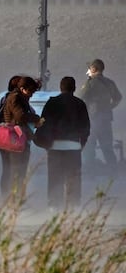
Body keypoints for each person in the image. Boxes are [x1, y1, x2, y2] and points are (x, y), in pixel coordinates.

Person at [40, 76, 91, 208]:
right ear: (74, 88)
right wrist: (82, 143)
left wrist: (46, 143)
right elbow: (86, 127)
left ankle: (54, 205)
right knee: (73, 177)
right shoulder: (80, 103)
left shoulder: (52, 103)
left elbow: (43, 124)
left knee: (54, 177)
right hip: (74, 146)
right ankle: (73, 205)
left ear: (60, 87)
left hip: (54, 146)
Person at [76, 59, 122, 174]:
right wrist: (109, 107)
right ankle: (114, 174)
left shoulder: (90, 83)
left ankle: (90, 174)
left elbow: (79, 97)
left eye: (89, 68)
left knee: (89, 149)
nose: (88, 71)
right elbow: (118, 98)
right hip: (106, 120)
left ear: (93, 69)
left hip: (92, 120)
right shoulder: (109, 83)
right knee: (107, 148)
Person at [0, 75, 40, 198]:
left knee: (12, 171)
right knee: (17, 172)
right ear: (22, 89)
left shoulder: (17, 97)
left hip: (13, 140)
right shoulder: (16, 98)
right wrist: (36, 118)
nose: (31, 94)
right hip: (15, 140)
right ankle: (14, 199)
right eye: (30, 91)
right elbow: (20, 116)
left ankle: (11, 198)